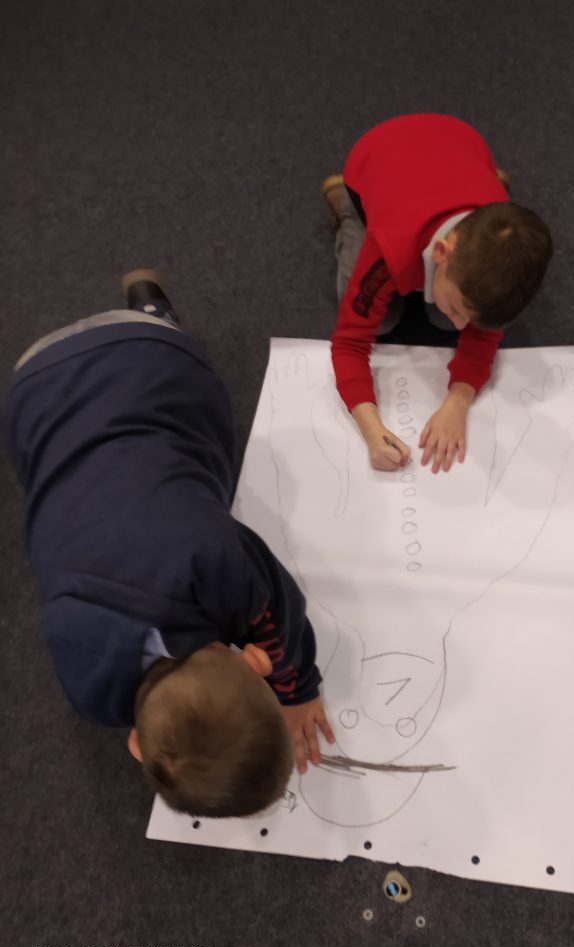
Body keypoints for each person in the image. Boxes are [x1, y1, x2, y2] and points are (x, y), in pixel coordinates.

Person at [6, 271, 334, 818]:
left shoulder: (214, 560)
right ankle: (150, 314)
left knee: (202, 437)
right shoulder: (88, 686)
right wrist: (299, 688)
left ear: (256, 661)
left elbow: (278, 609)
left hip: (124, 362)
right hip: (31, 391)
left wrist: (298, 688)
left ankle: (153, 312)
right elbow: (277, 611)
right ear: (136, 744)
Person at [323, 113, 553, 474]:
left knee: (443, 321)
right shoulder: (390, 248)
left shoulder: (495, 268)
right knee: (382, 321)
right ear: (442, 252)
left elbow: (485, 333)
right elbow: (349, 343)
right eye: (459, 308)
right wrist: (371, 429)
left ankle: (491, 184)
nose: (463, 325)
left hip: (460, 146)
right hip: (374, 157)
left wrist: (458, 402)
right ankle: (348, 209)